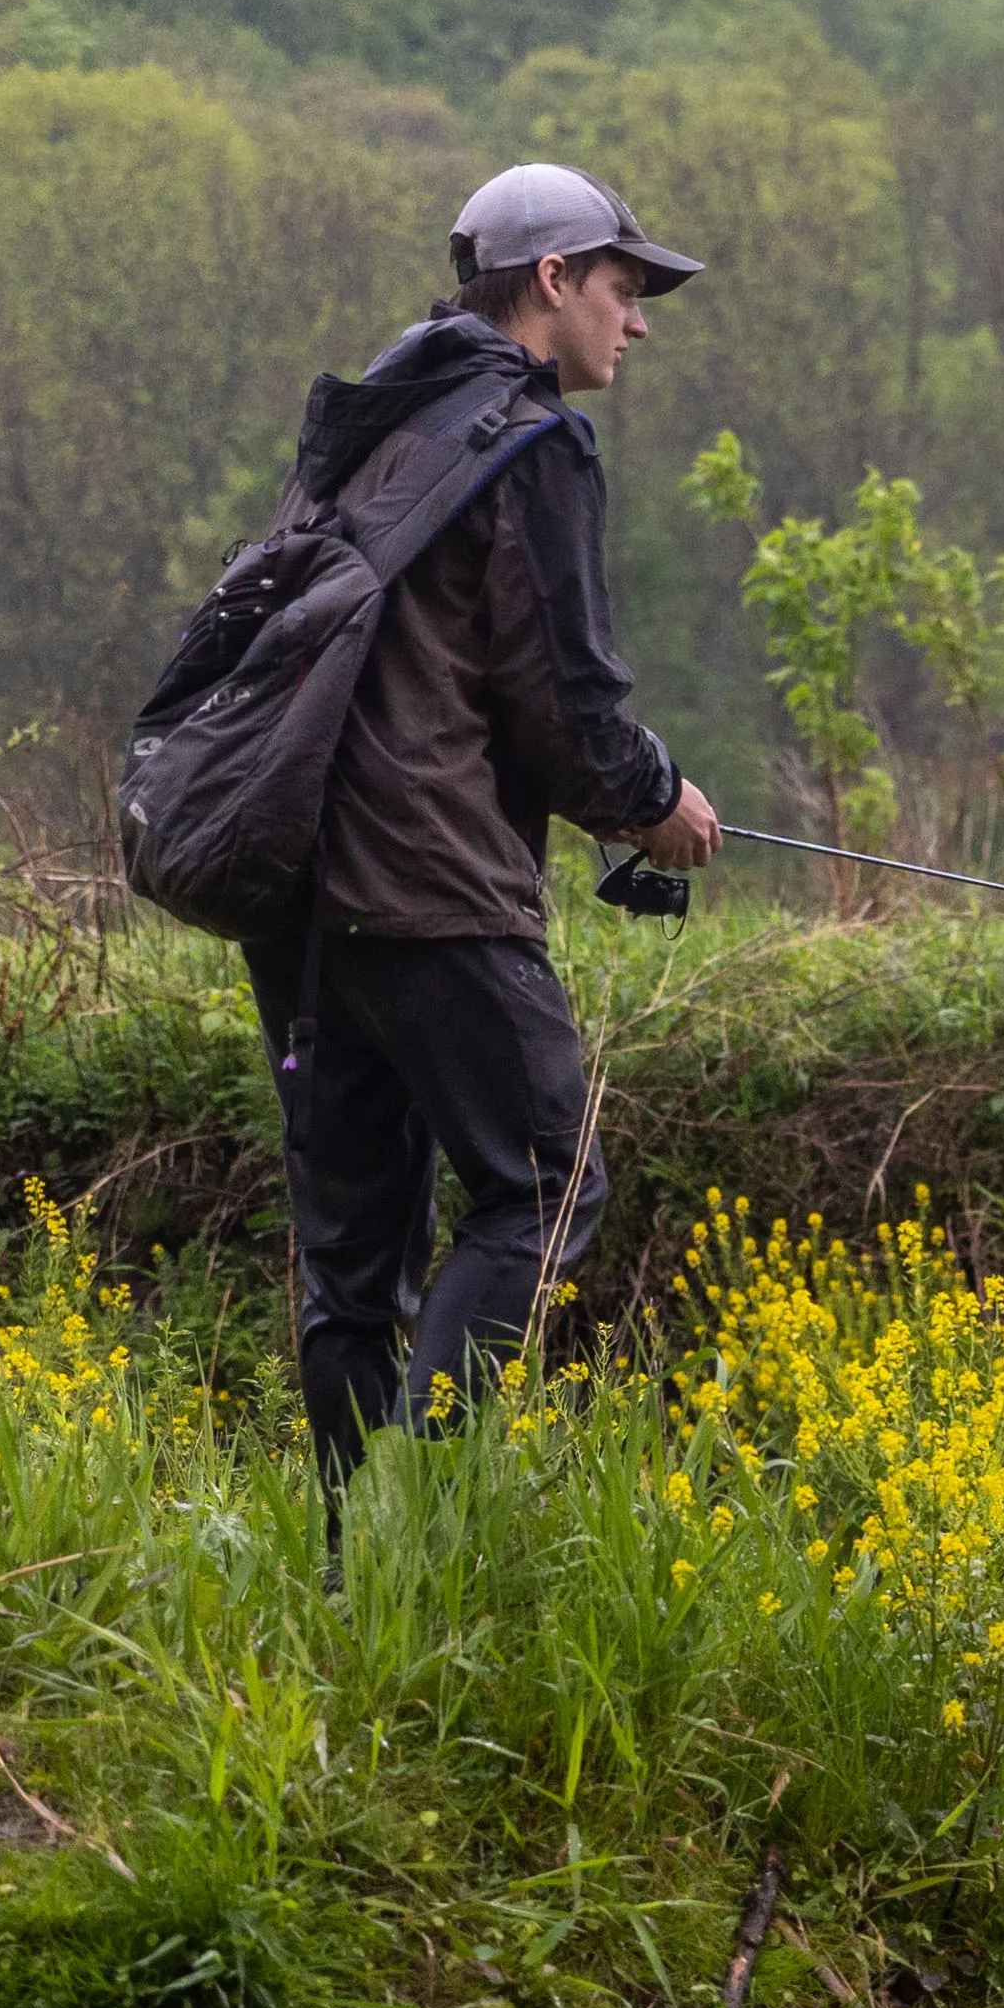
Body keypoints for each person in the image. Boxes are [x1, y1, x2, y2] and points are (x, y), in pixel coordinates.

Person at [253, 162, 723, 1551]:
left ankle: (353, 1577)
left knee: (352, 1266)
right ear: (554, 282)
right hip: (433, 886)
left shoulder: (371, 434)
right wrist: (660, 809)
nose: (637, 324)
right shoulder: (531, 442)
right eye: (626, 290)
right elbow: (568, 706)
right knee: (542, 1182)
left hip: (299, 897)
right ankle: (426, 1527)